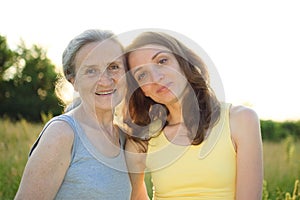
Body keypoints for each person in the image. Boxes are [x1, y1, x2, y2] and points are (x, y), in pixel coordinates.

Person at [124, 31, 263, 200]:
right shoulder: (141, 140)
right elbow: (136, 196)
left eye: (162, 61)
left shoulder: (241, 120)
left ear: (182, 62)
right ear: (141, 90)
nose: (156, 77)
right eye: (142, 75)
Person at [14, 29, 131, 199]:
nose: (105, 80)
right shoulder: (62, 133)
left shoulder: (124, 138)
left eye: (113, 67)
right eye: (91, 71)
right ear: (73, 81)